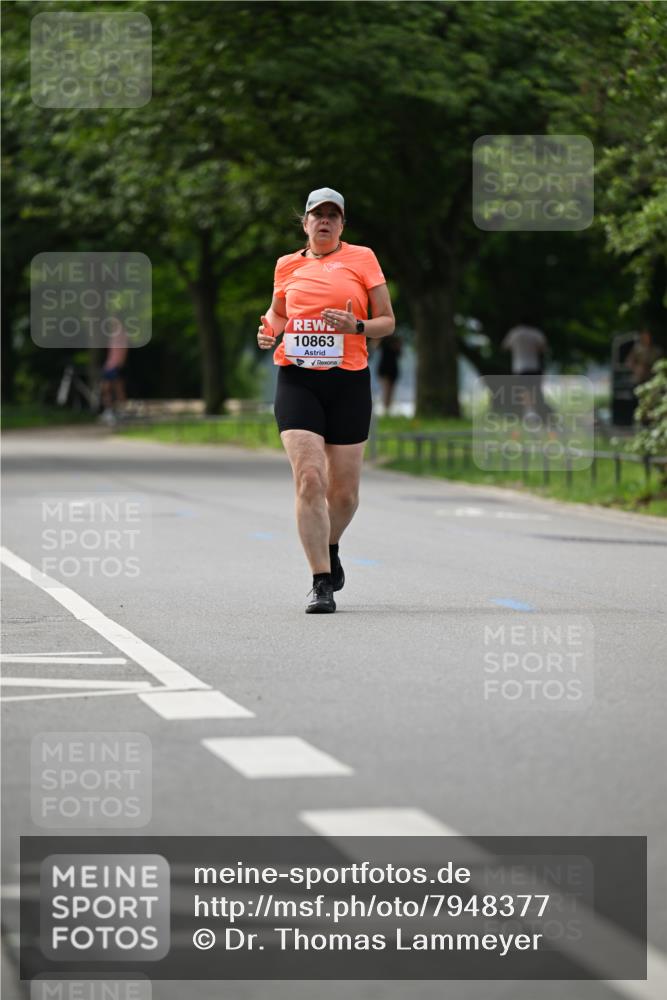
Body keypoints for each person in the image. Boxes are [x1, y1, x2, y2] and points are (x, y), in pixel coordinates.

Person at [257, 187, 395, 613]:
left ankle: (330, 545)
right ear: (305, 223)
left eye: (333, 216)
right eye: (317, 215)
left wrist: (357, 326)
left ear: (342, 225)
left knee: (345, 494)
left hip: (348, 381)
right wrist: (269, 329)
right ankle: (321, 582)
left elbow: (387, 322)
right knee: (310, 478)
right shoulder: (286, 265)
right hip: (297, 379)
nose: (325, 221)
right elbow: (279, 312)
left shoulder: (363, 258)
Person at [501, 318, 550, 422]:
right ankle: (536, 412)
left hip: (520, 367)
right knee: (534, 389)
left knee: (524, 390)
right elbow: (544, 349)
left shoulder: (515, 333)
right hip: (534, 366)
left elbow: (505, 347)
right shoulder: (536, 333)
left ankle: (529, 412)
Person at [99, 318, 128, 425]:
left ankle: (122, 411)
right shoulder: (113, 336)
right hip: (109, 366)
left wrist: (119, 365)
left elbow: (123, 351)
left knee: (118, 390)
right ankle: (109, 411)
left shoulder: (122, 335)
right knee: (106, 389)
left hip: (115, 366)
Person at [376, 334, 402, 413]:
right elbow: (375, 347)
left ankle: (387, 408)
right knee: (386, 389)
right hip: (385, 368)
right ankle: (386, 407)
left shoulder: (395, 340)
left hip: (392, 368)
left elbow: (399, 353)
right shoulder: (383, 339)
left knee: (390, 390)